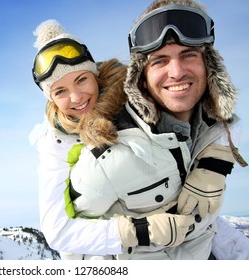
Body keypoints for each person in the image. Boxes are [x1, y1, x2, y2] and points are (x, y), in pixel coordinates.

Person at [29, 9, 249, 260]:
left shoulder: (134, 94)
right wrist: (138, 231)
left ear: (95, 75)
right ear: (51, 98)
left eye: (81, 80)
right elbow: (59, 233)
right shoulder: (55, 145)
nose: (77, 98)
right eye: (60, 91)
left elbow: (213, 113)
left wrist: (212, 166)